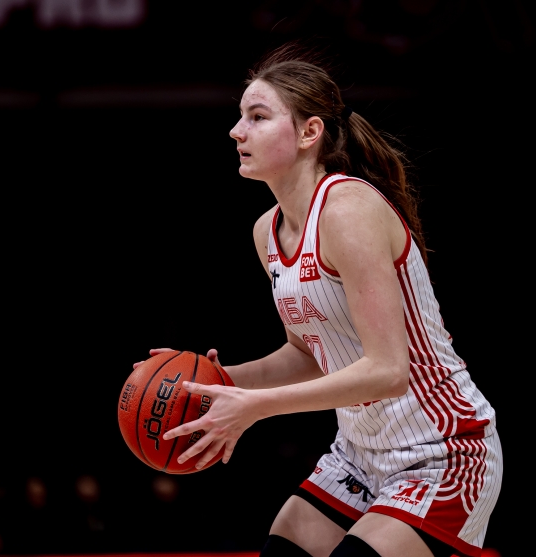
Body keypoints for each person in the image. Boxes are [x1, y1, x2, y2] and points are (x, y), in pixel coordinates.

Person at [134, 42, 502, 557]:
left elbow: (388, 371)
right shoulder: (267, 231)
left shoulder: (348, 209)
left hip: (442, 450)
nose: (237, 131)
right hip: (359, 454)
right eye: (240, 117)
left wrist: (256, 407)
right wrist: (213, 384)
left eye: (257, 117)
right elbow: (308, 354)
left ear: (310, 132)